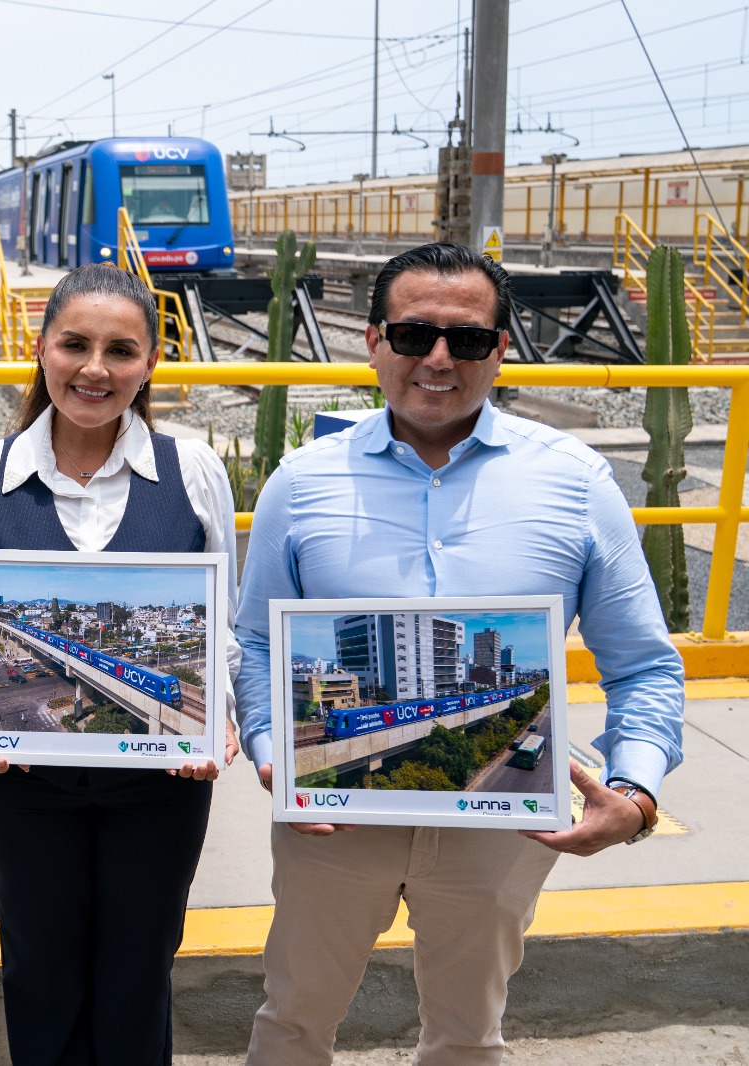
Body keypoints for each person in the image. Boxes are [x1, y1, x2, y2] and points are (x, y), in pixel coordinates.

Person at [233, 242, 685, 1065]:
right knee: (294, 1020)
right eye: (413, 335)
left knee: (468, 1037)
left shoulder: (577, 482)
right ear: (372, 341)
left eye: (467, 340)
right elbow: (258, 638)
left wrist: (636, 792)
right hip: (333, 820)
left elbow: (645, 664)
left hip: (500, 829)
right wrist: (272, 751)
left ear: (500, 350)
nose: (439, 359)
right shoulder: (300, 483)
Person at [0, 262, 242, 1066]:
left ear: (150, 363)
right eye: (75, 344)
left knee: (140, 971)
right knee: (41, 968)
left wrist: (220, 715)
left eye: (120, 350)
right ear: (41, 348)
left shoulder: (194, 471)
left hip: (160, 785)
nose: (95, 368)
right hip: (19, 781)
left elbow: (223, 625)